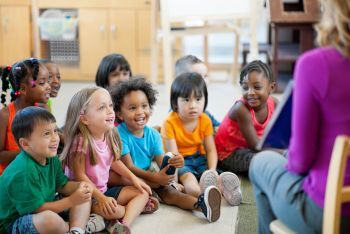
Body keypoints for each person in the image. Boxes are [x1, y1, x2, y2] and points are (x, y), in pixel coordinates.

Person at [249, 0, 350, 233]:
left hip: (330, 211)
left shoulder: (316, 65)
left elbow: (301, 161)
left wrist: (292, 157)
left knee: (261, 162)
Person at [110, 76, 222, 222]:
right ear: (119, 113)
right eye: (132, 108)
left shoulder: (154, 135)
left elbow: (162, 160)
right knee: (150, 184)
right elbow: (129, 166)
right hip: (126, 177)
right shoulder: (119, 134)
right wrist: (155, 178)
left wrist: (175, 161)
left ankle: (202, 206)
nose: (140, 112)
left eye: (144, 106)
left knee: (171, 193)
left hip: (147, 176)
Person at [60, 87, 156, 233]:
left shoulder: (108, 135)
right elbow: (80, 176)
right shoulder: (81, 141)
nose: (110, 111)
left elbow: (114, 162)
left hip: (103, 191)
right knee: (115, 210)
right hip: (86, 197)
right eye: (102, 108)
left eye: (110, 105)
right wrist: (101, 199)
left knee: (142, 192)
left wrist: (135, 179)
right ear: (84, 118)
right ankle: (114, 213)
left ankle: (123, 225)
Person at [0, 107, 95, 234]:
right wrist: (71, 201)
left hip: (45, 206)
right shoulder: (23, 171)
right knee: (50, 220)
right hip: (14, 223)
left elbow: (62, 186)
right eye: (46, 134)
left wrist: (81, 186)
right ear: (25, 144)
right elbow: (37, 209)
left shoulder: (50, 157)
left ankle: (76, 230)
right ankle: (70, 227)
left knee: (83, 194)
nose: (55, 138)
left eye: (55, 131)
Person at [162, 72, 241, 206]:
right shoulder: (169, 122)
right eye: (186, 100)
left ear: (205, 100)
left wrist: (212, 170)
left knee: (215, 175)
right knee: (189, 181)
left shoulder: (204, 119)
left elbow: (210, 150)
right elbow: (174, 157)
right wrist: (174, 181)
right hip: (182, 162)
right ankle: (203, 195)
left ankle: (225, 188)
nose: (193, 105)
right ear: (175, 103)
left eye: (198, 99)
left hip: (200, 158)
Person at [215, 60, 277, 174]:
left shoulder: (274, 103)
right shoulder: (241, 109)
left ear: (271, 87)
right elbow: (256, 146)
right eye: (245, 87)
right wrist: (283, 153)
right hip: (229, 154)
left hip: (250, 146)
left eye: (257, 87)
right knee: (267, 162)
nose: (250, 92)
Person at [0, 58, 51, 175]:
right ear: (23, 89)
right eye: (42, 83)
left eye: (48, 81)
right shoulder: (5, 115)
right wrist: (29, 151)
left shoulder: (44, 110)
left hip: (36, 175)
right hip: (12, 178)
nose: (48, 86)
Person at [175, 55, 220, 129]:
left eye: (205, 76)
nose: (204, 81)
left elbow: (215, 123)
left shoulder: (204, 112)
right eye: (198, 77)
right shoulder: (177, 109)